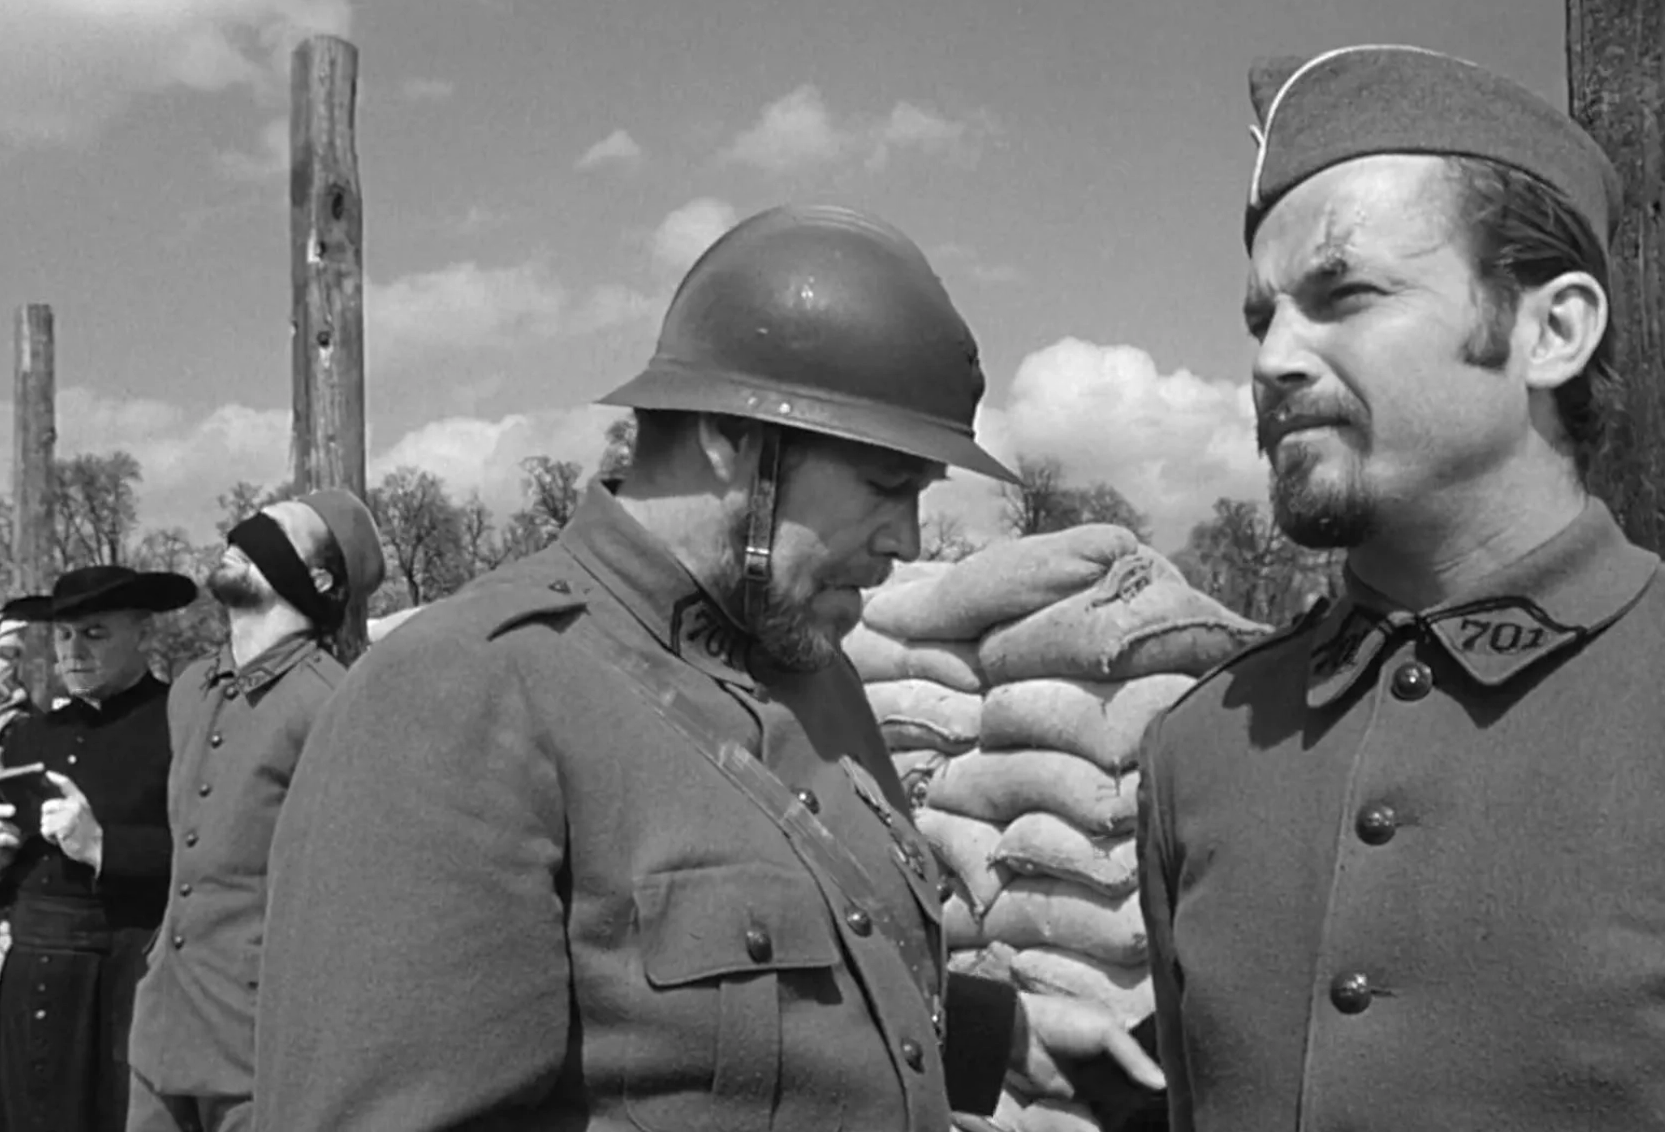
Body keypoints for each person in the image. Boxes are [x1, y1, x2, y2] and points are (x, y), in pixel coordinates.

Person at [256, 204, 1166, 1130]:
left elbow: (709, 1032)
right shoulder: (463, 695)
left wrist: (997, 1035)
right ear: (733, 439)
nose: (907, 538)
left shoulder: (817, 675)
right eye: (885, 488)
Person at [1137, 44, 1665, 1131]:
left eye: (1342, 293)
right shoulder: (1200, 750)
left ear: (1552, 329)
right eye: (1263, 317)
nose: (1272, 361)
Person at [125, 489, 385, 1132]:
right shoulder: (189, 689)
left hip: (261, 1048)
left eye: (276, 530)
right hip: (162, 1029)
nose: (246, 533)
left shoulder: (336, 705)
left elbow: (357, 899)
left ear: (319, 579)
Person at [0, 565, 195, 1132]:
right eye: (63, 635)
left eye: (95, 634)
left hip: (124, 974)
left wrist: (105, 847)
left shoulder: (177, 724)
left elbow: (207, 852)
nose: (74, 651)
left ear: (142, 633)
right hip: (31, 967)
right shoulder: (30, 733)